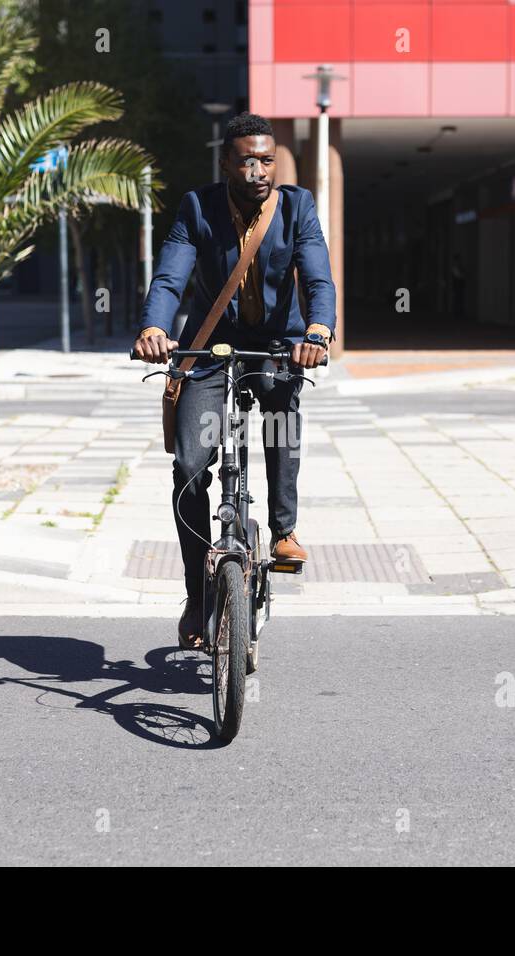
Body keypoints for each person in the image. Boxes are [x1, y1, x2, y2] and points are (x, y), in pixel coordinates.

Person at [133, 112, 336, 648]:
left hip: (275, 344)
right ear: (227, 161)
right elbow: (171, 275)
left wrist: (317, 330)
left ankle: (284, 528)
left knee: (282, 414)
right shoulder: (197, 207)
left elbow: (316, 273)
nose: (258, 171)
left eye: (267, 160)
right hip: (209, 343)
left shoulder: (297, 207)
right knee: (190, 467)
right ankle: (198, 597)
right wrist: (155, 325)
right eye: (247, 160)